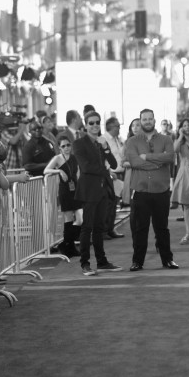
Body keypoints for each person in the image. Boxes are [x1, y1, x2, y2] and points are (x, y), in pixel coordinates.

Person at [124, 109, 178, 271]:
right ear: (140, 121)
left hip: (161, 190)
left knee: (162, 228)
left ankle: (167, 260)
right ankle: (137, 262)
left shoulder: (166, 139)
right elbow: (133, 161)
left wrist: (147, 157)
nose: (147, 121)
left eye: (150, 119)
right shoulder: (132, 141)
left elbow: (170, 158)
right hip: (140, 191)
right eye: (144, 119)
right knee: (140, 229)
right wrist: (157, 162)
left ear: (154, 120)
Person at [71, 111, 122, 275]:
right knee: (87, 227)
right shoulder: (79, 143)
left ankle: (102, 262)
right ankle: (85, 263)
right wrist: (105, 171)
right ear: (85, 125)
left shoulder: (102, 142)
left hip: (103, 190)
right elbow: (86, 167)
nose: (94, 125)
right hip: (89, 189)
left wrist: (106, 148)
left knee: (100, 227)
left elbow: (113, 164)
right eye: (91, 123)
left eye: (97, 122)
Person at [44, 132, 81, 258]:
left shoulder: (74, 157)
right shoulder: (57, 158)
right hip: (65, 191)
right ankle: (69, 246)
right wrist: (59, 170)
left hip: (75, 189)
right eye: (63, 146)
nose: (66, 148)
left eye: (68, 145)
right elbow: (46, 170)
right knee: (69, 219)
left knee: (80, 218)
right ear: (59, 147)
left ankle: (65, 243)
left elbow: (78, 173)